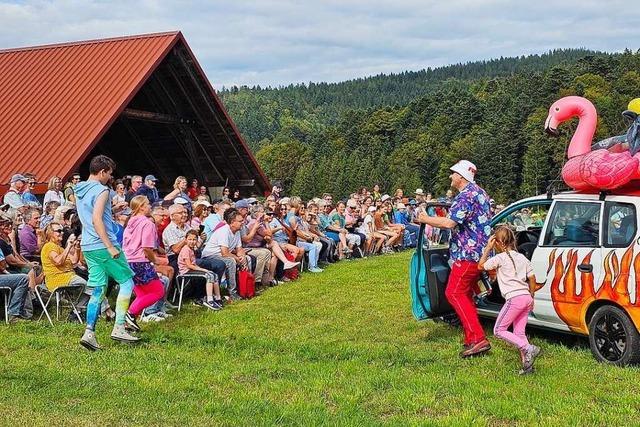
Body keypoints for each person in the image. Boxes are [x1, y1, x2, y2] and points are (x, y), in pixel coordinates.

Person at [417, 160, 492, 358]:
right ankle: (471, 336)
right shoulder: (479, 192)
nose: (451, 176)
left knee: (454, 293)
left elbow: (450, 223)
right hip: (480, 252)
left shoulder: (465, 196)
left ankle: (478, 339)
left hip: (468, 254)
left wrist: (425, 219)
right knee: (464, 293)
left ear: (461, 176)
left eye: (453, 173)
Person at [75, 155, 139, 351]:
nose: (110, 178)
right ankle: (119, 327)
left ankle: (89, 333)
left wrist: (110, 209)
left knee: (98, 289)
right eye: (109, 174)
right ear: (102, 172)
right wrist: (110, 246)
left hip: (88, 245)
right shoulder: (102, 190)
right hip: (103, 243)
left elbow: (91, 213)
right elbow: (97, 219)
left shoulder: (80, 189)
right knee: (127, 282)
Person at [478, 226, 541, 375]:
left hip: (514, 299)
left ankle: (528, 348)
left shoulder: (500, 258)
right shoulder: (522, 257)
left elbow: (480, 266)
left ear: (498, 243)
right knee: (519, 333)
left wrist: (487, 248)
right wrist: (532, 296)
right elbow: (532, 278)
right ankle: (528, 367)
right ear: (513, 240)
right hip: (526, 297)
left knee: (498, 330)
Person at [41, 221, 114, 321]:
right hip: (58, 279)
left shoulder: (60, 248)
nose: (62, 233)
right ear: (50, 233)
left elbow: (74, 261)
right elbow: (58, 261)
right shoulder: (49, 246)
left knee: (88, 290)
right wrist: (68, 247)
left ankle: (76, 312)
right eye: (58, 231)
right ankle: (108, 311)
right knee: (92, 288)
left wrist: (77, 247)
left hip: (69, 277)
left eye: (62, 230)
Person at [122, 196, 167, 328]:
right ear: (141, 206)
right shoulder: (147, 223)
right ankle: (130, 314)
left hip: (128, 261)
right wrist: (156, 260)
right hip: (140, 262)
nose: (150, 207)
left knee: (142, 293)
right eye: (147, 204)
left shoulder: (130, 222)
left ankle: (128, 321)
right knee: (158, 291)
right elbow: (147, 248)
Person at [178, 229, 222, 310]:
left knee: (214, 275)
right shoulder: (185, 249)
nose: (192, 241)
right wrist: (203, 270)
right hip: (186, 271)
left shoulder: (191, 249)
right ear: (185, 240)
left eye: (194, 239)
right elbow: (189, 265)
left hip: (191, 269)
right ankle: (209, 300)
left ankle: (218, 298)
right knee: (209, 275)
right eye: (190, 239)